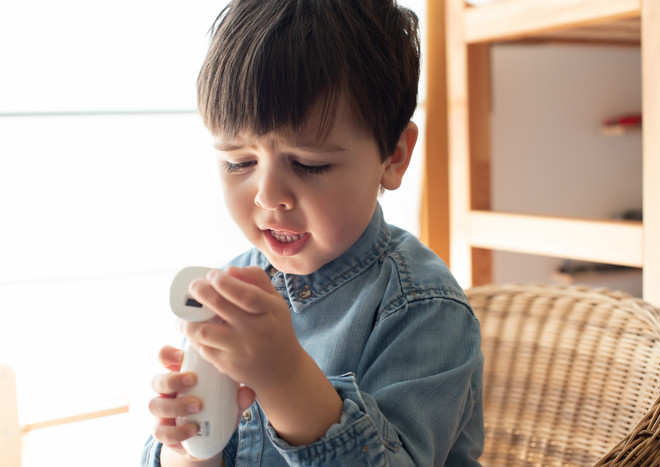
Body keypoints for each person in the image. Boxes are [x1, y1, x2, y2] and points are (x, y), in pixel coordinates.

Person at [142, 0, 483, 465]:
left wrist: (284, 378)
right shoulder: (232, 287)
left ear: (394, 157)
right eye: (238, 162)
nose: (267, 196)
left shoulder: (422, 306)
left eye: (309, 164)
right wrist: (186, 447)